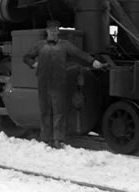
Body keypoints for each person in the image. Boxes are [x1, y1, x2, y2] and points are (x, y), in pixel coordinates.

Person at [23, 20, 105, 149]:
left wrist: (93, 61)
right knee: (45, 111)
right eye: (51, 30)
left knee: (59, 111)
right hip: (43, 82)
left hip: (59, 82)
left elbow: (79, 54)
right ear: (47, 31)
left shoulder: (65, 45)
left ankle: (57, 140)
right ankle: (46, 139)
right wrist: (33, 64)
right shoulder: (39, 46)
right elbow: (26, 57)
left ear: (58, 31)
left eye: (56, 30)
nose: (53, 32)